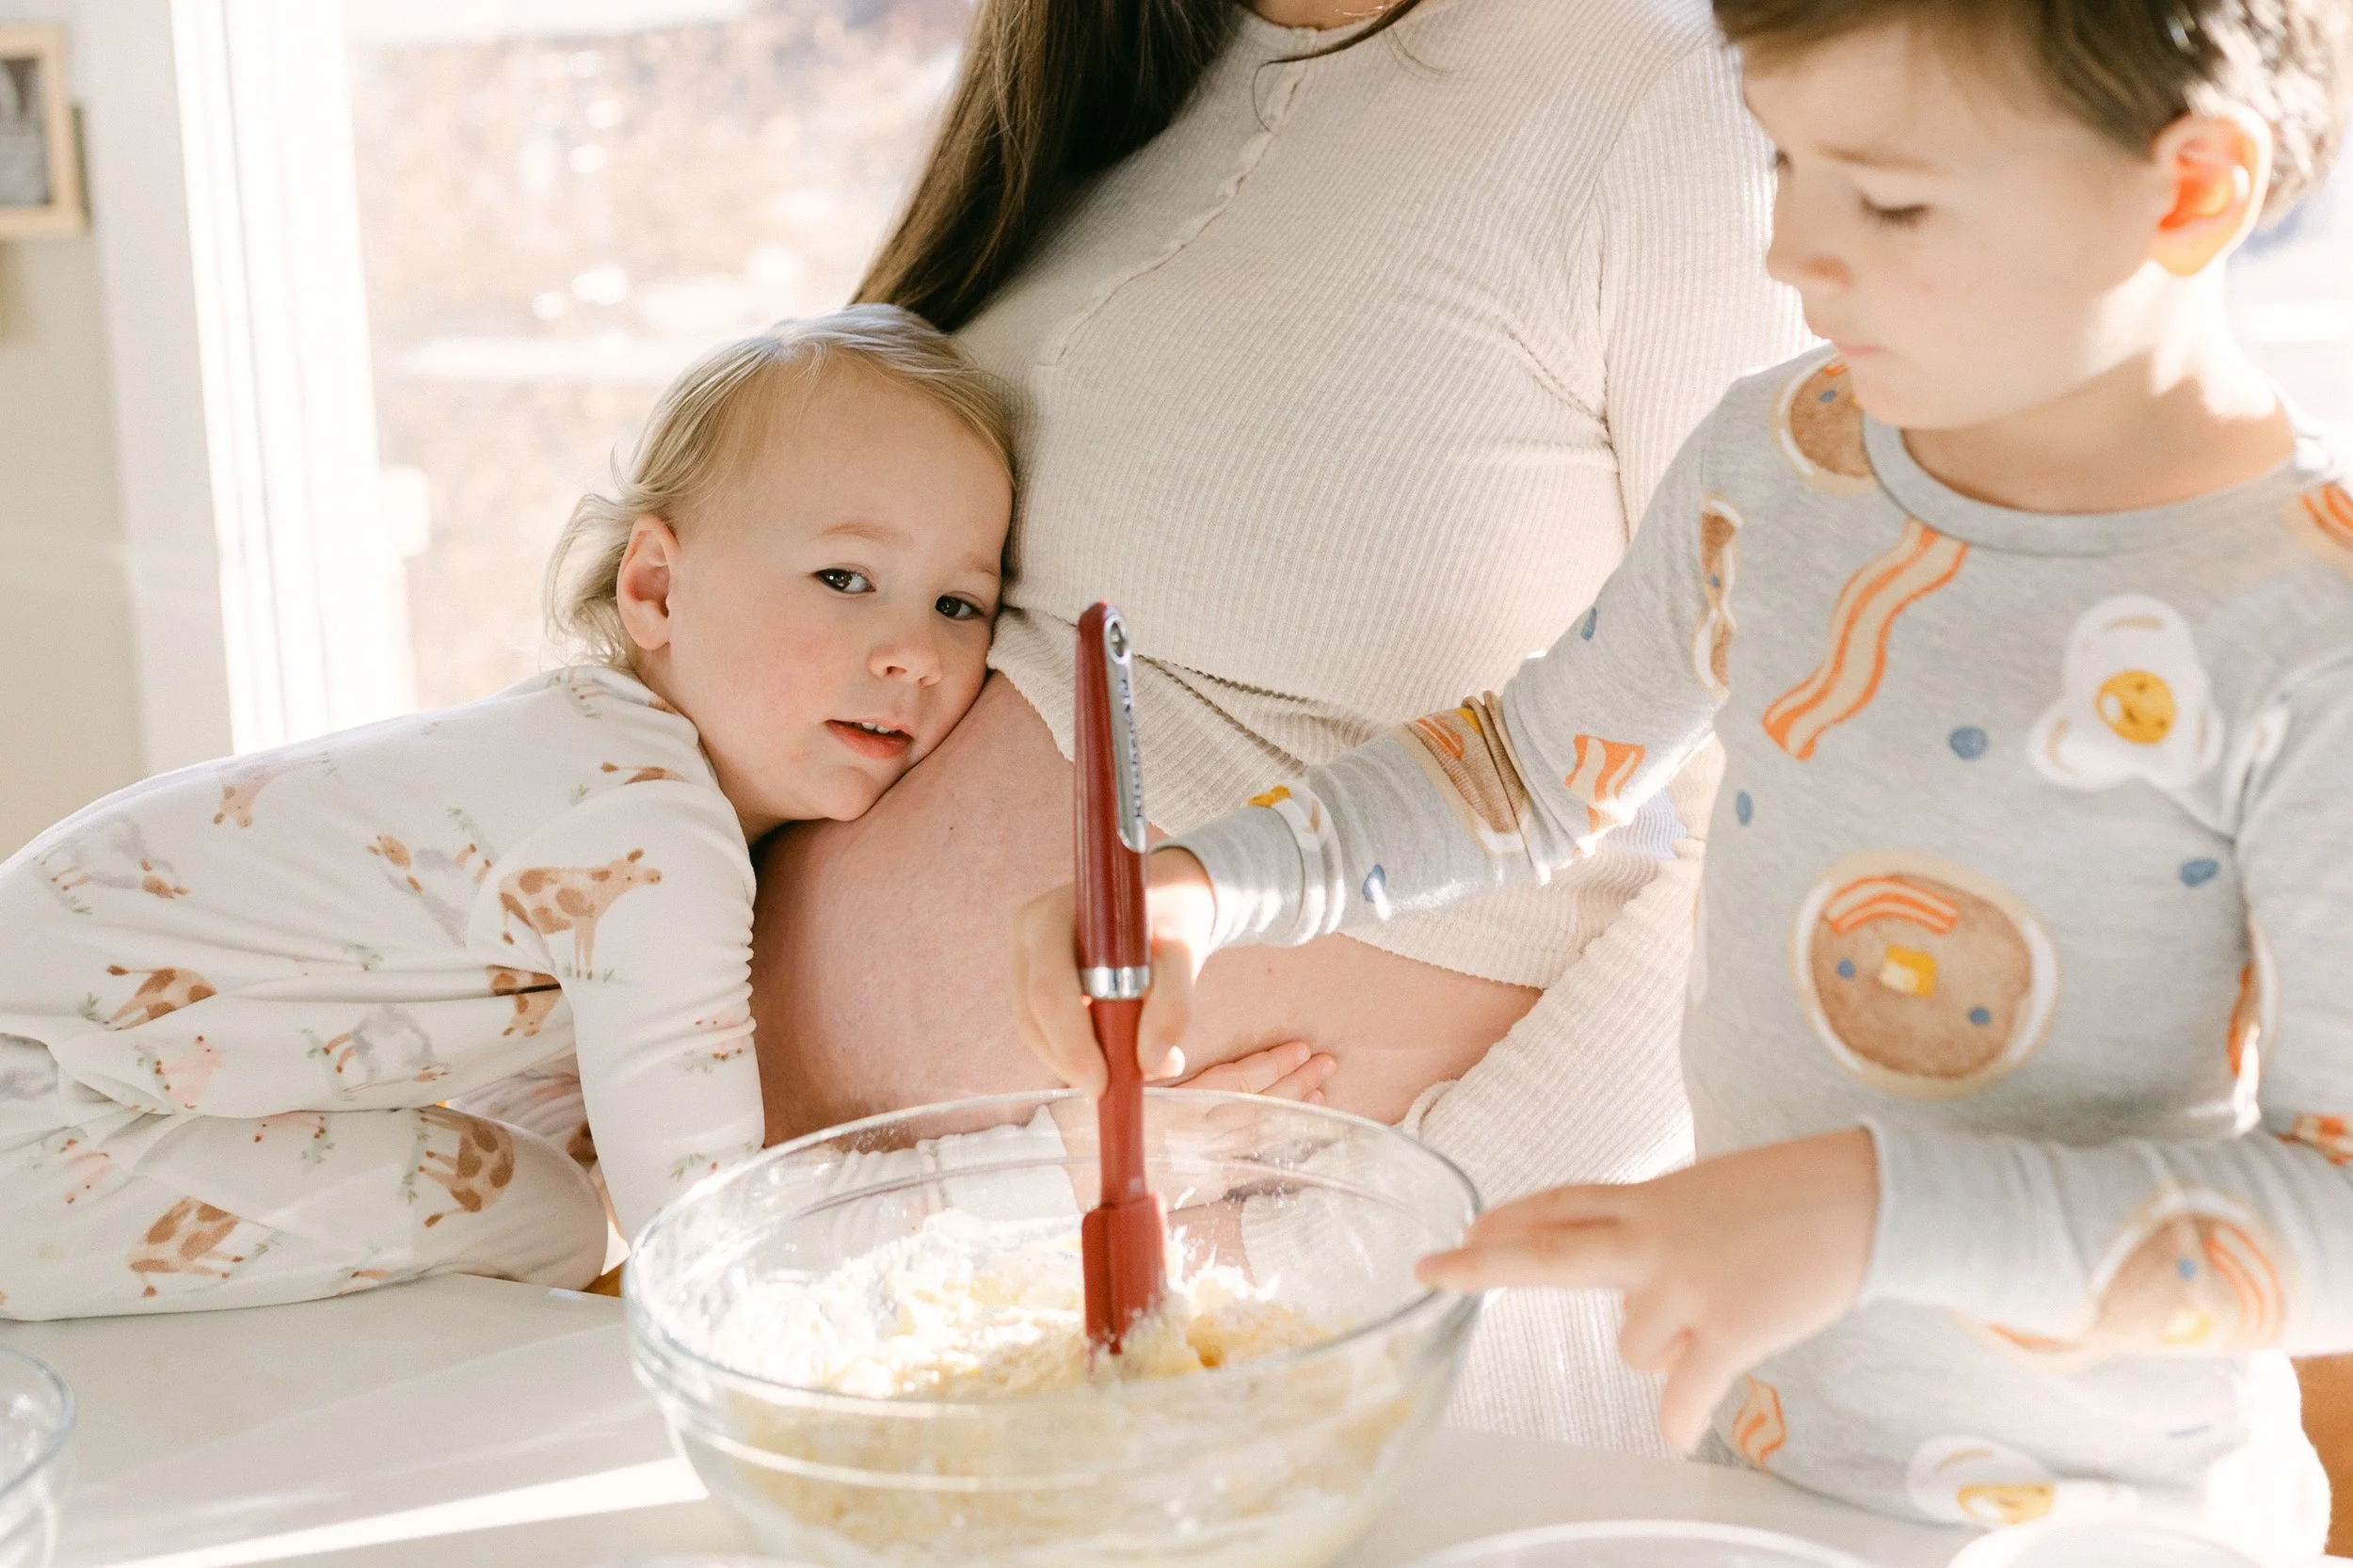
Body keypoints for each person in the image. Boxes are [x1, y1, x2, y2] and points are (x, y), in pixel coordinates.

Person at [1012, 0, 2353, 1550]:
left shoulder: (2306, 627)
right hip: (1749, 1469)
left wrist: (1863, 1213)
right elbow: (1527, 767)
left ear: (2187, 192)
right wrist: (1207, 884)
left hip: (2118, 1519)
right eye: (1782, 156)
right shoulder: (1782, 459)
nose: (1793, 250)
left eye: (1891, 198)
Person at [753, 0, 1807, 1449]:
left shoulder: (1672, 104)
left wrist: (1407, 1234)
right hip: (834, 1320)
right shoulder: (1110, 80)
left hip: (1297, 1356)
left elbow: (1802, 818)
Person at [0, 308, 1016, 1318]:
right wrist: (982, 1198)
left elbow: (535, 1084)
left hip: (72, 1051)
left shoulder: (580, 746)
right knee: (543, 1223)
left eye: (958, 605)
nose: (913, 652)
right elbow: (697, 1225)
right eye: (845, 578)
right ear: (656, 588)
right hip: (38, 1119)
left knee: (524, 1188)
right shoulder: (650, 835)